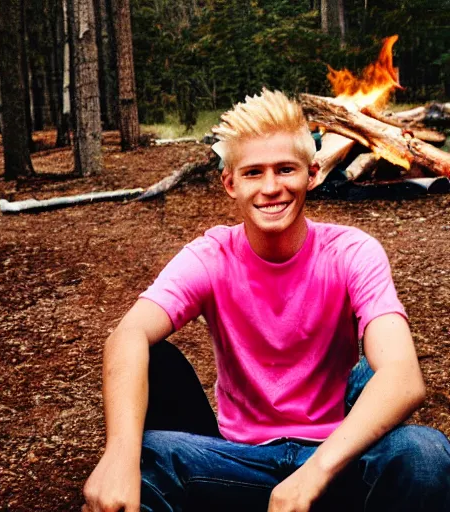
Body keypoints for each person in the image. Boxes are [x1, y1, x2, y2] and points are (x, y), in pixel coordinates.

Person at [83, 89, 450, 512]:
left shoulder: (352, 252)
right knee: (146, 447)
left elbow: (403, 374)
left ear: (312, 174)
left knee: (424, 453)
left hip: (332, 458)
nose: (271, 188)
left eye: (285, 170)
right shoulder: (212, 256)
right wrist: (119, 457)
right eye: (254, 172)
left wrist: (311, 477)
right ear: (230, 182)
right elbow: (126, 335)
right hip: (237, 462)